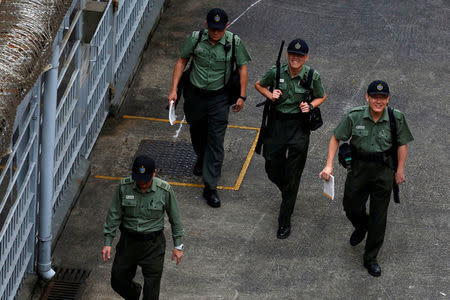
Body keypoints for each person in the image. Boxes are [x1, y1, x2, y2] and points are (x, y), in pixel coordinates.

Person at [319, 80, 414, 277]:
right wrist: (329, 164)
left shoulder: (396, 118)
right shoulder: (355, 116)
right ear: (367, 97)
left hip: (383, 171)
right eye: (374, 97)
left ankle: (371, 258)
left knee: (379, 218)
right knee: (351, 206)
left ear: (387, 99)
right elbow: (336, 137)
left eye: (382, 97)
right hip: (359, 169)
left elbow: (402, 144)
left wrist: (400, 170)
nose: (378, 101)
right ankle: (361, 226)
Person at [168, 8, 251, 208]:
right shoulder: (196, 39)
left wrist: (241, 95)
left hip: (219, 98)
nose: (216, 32)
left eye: (220, 29)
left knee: (215, 140)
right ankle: (202, 157)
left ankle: (210, 187)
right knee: (196, 130)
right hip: (195, 95)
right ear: (207, 26)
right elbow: (182, 61)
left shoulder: (234, 42)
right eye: (213, 28)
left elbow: (242, 67)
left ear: (227, 26)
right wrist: (173, 90)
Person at [254, 38, 327, 239]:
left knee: (294, 174)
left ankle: (284, 221)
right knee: (271, 164)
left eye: (300, 56)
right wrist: (270, 94)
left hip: (299, 127)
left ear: (306, 57)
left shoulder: (312, 75)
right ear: (288, 55)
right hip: (277, 124)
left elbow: (322, 96)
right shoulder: (276, 72)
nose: (296, 58)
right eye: (293, 55)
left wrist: (310, 106)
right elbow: (258, 84)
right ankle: (288, 190)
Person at [102, 155, 184, 300]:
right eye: (138, 179)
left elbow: (175, 219)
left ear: (154, 173)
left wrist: (178, 246)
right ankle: (134, 293)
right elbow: (114, 214)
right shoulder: (124, 187)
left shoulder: (164, 190)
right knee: (117, 280)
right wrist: (108, 242)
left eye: (145, 179)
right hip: (128, 243)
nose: (142, 183)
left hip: (153, 246)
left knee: (152, 292)